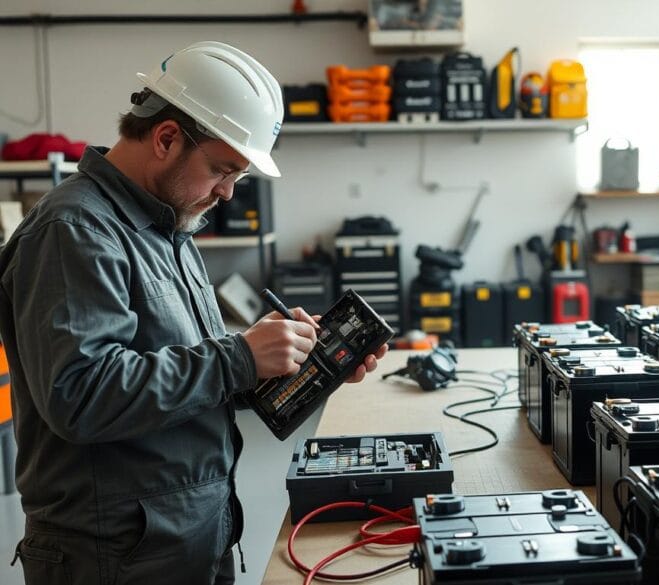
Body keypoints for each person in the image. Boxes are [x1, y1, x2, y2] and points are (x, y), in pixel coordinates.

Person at [0, 41, 387, 585]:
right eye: (222, 169)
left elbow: (187, 380)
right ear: (165, 138)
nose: (228, 192)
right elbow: (80, 395)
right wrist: (239, 357)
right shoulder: (75, 231)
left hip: (188, 540)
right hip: (115, 558)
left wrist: (297, 369)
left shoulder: (166, 229)